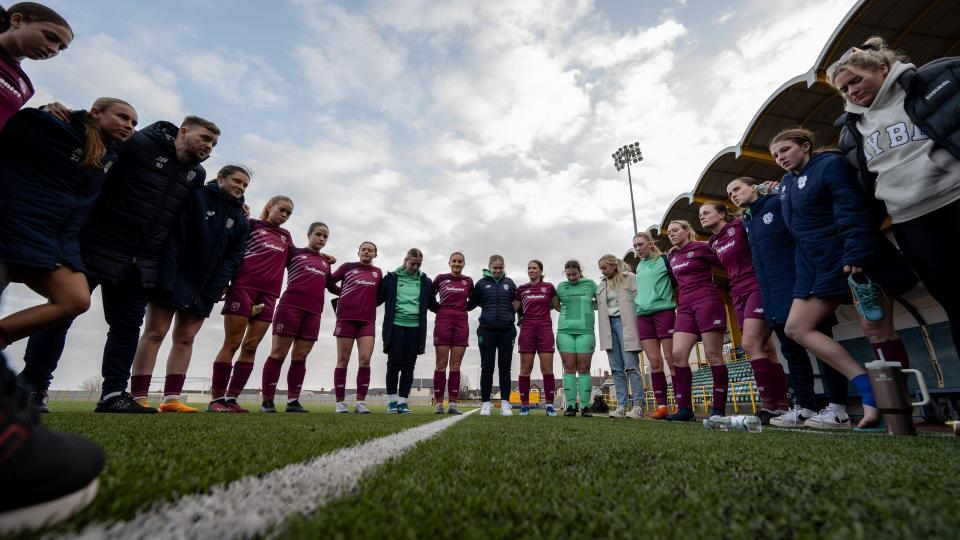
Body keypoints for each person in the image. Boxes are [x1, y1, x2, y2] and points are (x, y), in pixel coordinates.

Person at [18, 115, 219, 414]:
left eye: (214, 143)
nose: (209, 146)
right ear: (184, 131)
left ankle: (113, 393)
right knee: (62, 314)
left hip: (142, 260)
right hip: (96, 245)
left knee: (126, 327)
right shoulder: (137, 143)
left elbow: (193, 211)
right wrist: (67, 116)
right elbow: (93, 154)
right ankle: (33, 384)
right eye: (205, 138)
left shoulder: (197, 174)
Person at [770, 127, 917, 430]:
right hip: (814, 265)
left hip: (851, 256)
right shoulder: (785, 184)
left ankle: (898, 413)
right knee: (796, 328)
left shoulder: (830, 165)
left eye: (785, 149)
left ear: (806, 146)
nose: (780, 157)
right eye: (775, 155)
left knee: (876, 330)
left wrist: (858, 251)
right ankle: (867, 387)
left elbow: (852, 208)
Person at [829, 36, 960, 356]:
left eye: (855, 80)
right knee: (954, 303)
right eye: (844, 89)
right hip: (909, 220)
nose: (851, 91)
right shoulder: (850, 131)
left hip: (954, 198)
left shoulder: (940, 78)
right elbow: (864, 189)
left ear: (883, 67)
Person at [0, 98, 135, 350]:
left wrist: (67, 245)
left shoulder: (110, 156)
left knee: (76, 300)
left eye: (134, 123)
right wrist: (42, 110)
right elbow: (12, 127)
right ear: (95, 112)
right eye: (123, 117)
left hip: (54, 237)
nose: (129, 125)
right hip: (12, 225)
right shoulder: (54, 126)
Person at [727, 177, 850, 428]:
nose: (733, 195)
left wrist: (777, 188)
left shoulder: (778, 203)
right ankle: (805, 406)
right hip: (772, 290)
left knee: (820, 344)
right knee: (791, 350)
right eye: (729, 194)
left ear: (754, 186)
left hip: (801, 283)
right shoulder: (748, 221)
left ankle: (839, 408)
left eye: (737, 188)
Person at [128, 166, 250, 413]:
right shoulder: (196, 197)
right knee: (155, 332)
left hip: (205, 285)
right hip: (174, 275)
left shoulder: (239, 218)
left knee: (185, 338)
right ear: (221, 178)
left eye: (245, 185)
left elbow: (233, 257)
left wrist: (216, 286)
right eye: (237, 181)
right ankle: (138, 395)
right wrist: (167, 275)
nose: (241, 187)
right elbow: (175, 237)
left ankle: (171, 398)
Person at [699, 202, 789, 423]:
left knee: (750, 344)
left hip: (757, 286)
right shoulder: (712, 242)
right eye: (700, 214)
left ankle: (768, 406)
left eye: (706, 212)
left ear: (722, 214)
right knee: (766, 348)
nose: (702, 217)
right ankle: (782, 406)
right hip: (736, 292)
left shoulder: (740, 225)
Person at [207, 196, 293, 413]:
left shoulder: (286, 236)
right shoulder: (250, 224)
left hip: (270, 295)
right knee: (233, 342)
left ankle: (231, 398)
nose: (284, 215)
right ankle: (216, 399)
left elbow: (298, 258)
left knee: (251, 345)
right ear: (269, 207)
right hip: (243, 287)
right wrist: (224, 282)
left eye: (288, 213)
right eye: (282, 210)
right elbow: (230, 248)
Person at [259, 222, 333, 414]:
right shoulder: (293, 253)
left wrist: (361, 292)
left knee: (300, 357)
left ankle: (293, 401)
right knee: (278, 354)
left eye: (325, 236)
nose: (321, 239)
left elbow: (332, 287)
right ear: (308, 234)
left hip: (314, 313)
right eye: (318, 234)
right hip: (290, 308)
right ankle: (267, 401)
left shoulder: (326, 263)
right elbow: (272, 257)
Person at [663, 220, 728, 422]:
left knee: (712, 354)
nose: (671, 234)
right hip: (684, 306)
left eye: (675, 230)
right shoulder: (672, 255)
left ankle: (718, 408)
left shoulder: (701, 247)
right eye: (669, 232)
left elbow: (725, 262)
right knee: (677, 354)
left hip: (707, 301)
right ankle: (684, 409)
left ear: (687, 230)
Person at [328, 242, 381, 414]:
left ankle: (360, 402)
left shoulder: (377, 272)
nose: (366, 252)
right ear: (358, 252)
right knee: (343, 360)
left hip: (367, 322)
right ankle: (340, 402)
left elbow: (378, 296)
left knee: (365, 360)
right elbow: (328, 282)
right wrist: (343, 293)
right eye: (363, 249)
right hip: (346, 320)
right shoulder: (347, 267)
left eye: (370, 250)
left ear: (375, 254)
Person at [0, 2, 72, 129]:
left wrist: (41, 114)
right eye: (50, 37)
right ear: (17, 20)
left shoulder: (26, 87)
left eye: (61, 48)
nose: (54, 49)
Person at [378, 248, 432, 414]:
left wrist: (455, 308)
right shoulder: (391, 278)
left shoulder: (425, 281)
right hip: (395, 326)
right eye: (412, 263)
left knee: (409, 366)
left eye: (418, 264)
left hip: (415, 328)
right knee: (393, 364)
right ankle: (392, 401)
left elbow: (432, 303)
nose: (415, 267)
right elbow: (376, 299)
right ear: (405, 260)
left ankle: (403, 401)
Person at [631, 231, 677, 420]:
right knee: (655, 363)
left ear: (650, 244)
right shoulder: (639, 266)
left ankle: (683, 405)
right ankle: (662, 407)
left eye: (640, 244)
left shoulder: (665, 259)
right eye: (635, 246)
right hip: (643, 315)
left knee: (672, 359)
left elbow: (677, 283)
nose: (638, 249)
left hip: (664, 312)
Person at [596, 255, 644, 419]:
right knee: (616, 369)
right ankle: (622, 406)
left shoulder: (629, 278)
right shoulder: (601, 285)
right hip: (608, 326)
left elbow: (640, 298)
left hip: (626, 324)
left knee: (631, 366)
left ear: (613, 265)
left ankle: (638, 406)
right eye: (601, 268)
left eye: (605, 267)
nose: (603, 271)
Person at [468, 255, 517, 416]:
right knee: (487, 367)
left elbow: (518, 303)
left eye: (500, 268)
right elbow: (471, 303)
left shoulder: (509, 283)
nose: (497, 270)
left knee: (505, 368)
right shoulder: (481, 283)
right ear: (489, 267)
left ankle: (505, 404)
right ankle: (485, 404)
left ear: (503, 267)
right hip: (486, 330)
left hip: (507, 330)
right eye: (494, 268)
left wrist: (516, 317)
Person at [513, 260, 558, 416]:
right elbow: (513, 308)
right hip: (527, 330)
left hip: (545, 329)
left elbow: (559, 306)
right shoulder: (521, 289)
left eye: (534, 268)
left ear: (540, 271)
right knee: (525, 369)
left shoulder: (549, 287)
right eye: (529, 268)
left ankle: (550, 406)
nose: (531, 271)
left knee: (547, 369)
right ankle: (524, 405)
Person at [430, 252, 473, 415]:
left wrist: (464, 309)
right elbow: (429, 297)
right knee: (441, 363)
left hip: (461, 322)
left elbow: (474, 299)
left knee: (455, 364)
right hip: (443, 321)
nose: (457, 264)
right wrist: (438, 309)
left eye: (460, 262)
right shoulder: (441, 278)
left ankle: (453, 404)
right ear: (449, 263)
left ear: (463, 264)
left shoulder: (468, 281)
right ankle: (439, 403)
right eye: (454, 261)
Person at [555, 260, 598, 417]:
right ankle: (571, 406)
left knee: (584, 369)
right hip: (565, 331)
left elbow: (601, 302)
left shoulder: (591, 285)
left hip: (586, 331)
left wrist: (587, 309)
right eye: (568, 275)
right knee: (569, 368)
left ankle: (586, 407)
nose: (572, 278)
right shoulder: (561, 287)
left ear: (580, 271)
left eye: (574, 274)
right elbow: (555, 304)